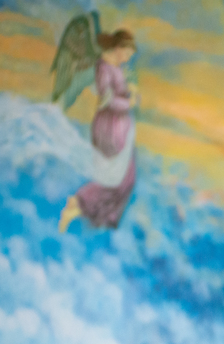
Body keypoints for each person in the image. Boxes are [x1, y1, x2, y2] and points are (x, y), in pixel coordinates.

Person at [56, 28, 139, 231]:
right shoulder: (103, 67)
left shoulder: (114, 67)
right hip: (110, 130)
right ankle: (78, 204)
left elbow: (117, 93)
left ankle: (82, 207)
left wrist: (130, 91)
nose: (127, 59)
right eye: (127, 54)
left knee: (126, 180)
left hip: (119, 129)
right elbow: (107, 101)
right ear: (118, 48)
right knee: (114, 180)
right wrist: (130, 102)